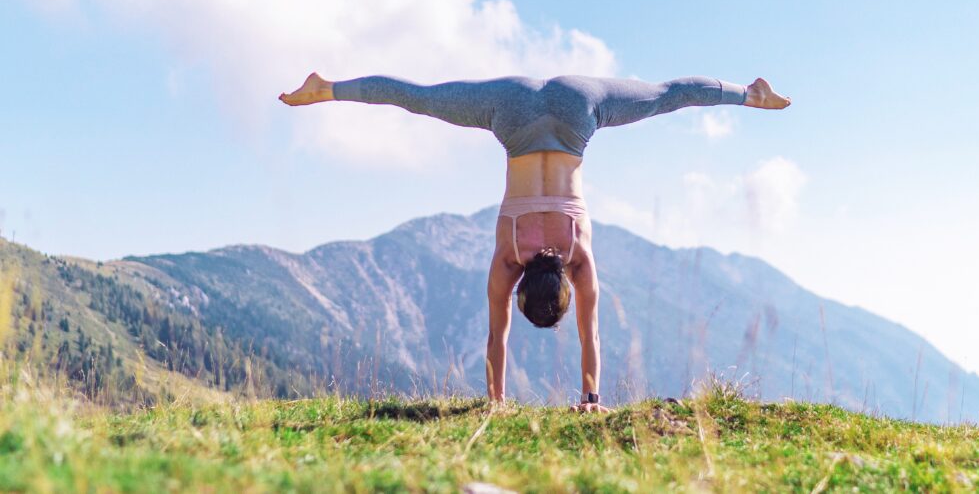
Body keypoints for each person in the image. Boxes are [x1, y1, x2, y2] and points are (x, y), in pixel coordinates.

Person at [279, 72, 791, 412]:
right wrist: (496, 401)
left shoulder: (580, 259)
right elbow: (496, 339)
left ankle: (749, 93)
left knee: (664, 95)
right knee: (423, 100)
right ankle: (325, 88)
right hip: (512, 109)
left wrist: (592, 397)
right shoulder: (508, 258)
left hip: (577, 110)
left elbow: (592, 337)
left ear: (561, 284)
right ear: (523, 288)